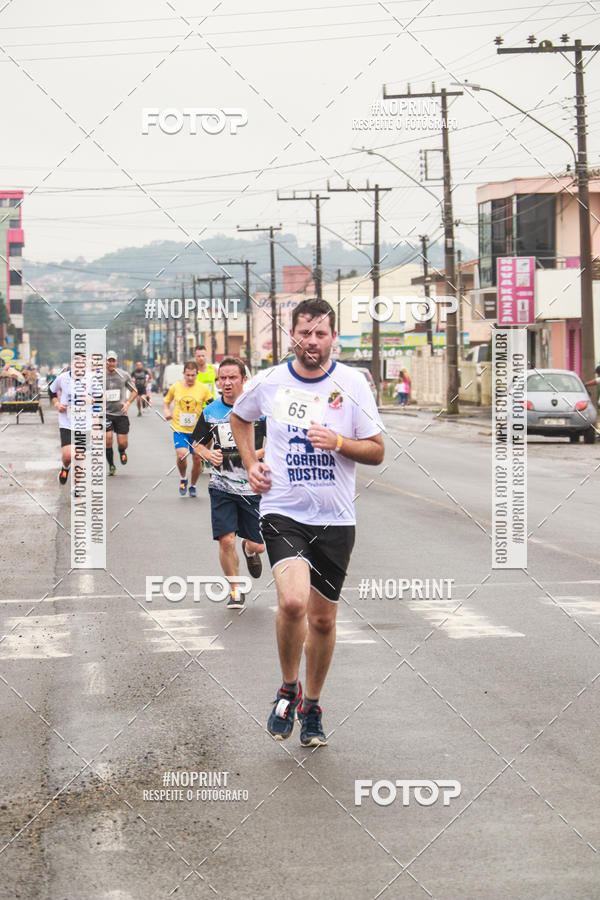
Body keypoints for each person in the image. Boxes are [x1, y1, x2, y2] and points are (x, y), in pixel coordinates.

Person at [231, 298, 385, 747]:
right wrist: (249, 463)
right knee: (294, 604)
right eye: (304, 333)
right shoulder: (271, 381)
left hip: (336, 518)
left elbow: (376, 450)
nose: (312, 341)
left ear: (332, 338)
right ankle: (287, 687)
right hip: (284, 510)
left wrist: (338, 441)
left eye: (321, 334)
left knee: (321, 620)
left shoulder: (352, 383)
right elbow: (241, 418)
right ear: (292, 336)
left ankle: (311, 705)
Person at [191, 357, 266, 610]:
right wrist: (206, 453)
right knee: (225, 540)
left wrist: (256, 455)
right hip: (221, 485)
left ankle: (250, 551)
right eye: (222, 378)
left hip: (253, 487)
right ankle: (235, 589)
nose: (227, 383)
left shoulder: (260, 411)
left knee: (258, 544)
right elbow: (197, 442)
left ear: (244, 380)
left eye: (232, 377)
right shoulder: (211, 412)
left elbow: (277, 441)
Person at [163, 360, 211, 497]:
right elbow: (167, 401)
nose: (190, 378)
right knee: (181, 455)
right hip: (179, 428)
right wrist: (166, 411)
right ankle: (183, 478)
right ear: (183, 373)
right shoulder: (176, 387)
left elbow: (211, 404)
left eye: (193, 375)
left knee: (197, 459)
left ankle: (193, 485)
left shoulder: (203, 388)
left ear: (197, 374)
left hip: (197, 430)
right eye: (188, 375)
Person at [105, 351, 137, 476]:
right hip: (106, 413)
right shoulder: (99, 377)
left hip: (121, 414)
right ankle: (111, 466)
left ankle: (121, 450)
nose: (111, 363)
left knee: (122, 442)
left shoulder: (124, 375)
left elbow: (134, 391)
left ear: (116, 362)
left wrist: (127, 403)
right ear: (105, 362)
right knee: (108, 440)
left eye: (113, 360)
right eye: (109, 360)